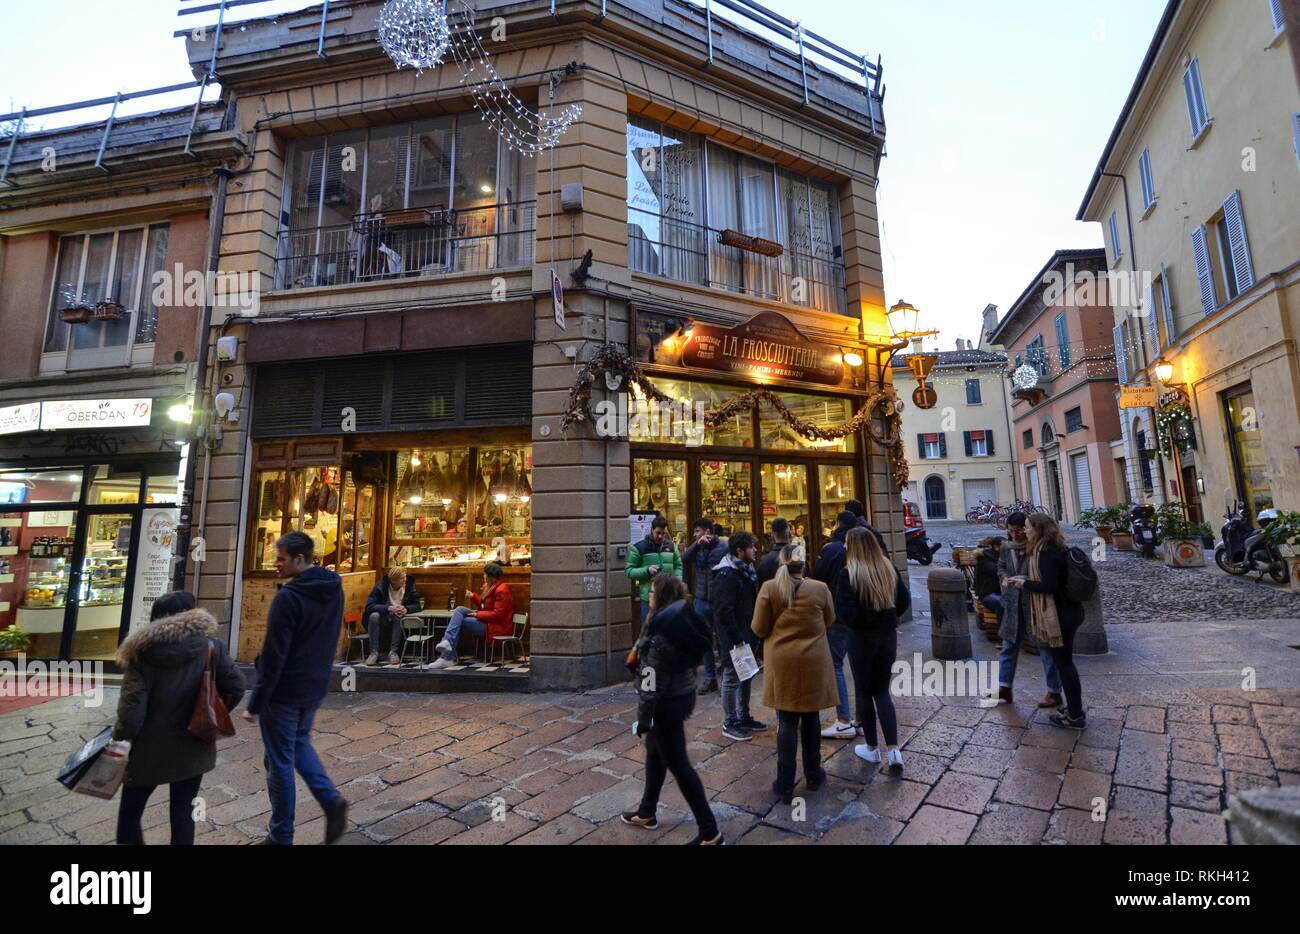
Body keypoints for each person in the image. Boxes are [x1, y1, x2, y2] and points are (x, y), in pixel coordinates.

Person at [113, 591, 245, 845]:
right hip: (195, 742)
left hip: (148, 749)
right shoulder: (210, 647)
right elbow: (237, 686)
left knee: (130, 813)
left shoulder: (141, 653)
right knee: (184, 812)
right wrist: (212, 714)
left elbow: (132, 714)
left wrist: (120, 740)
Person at [243, 531, 348, 845]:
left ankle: (281, 835)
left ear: (299, 559)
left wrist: (256, 701)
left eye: (281, 559)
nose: (276, 564)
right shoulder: (334, 589)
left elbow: (275, 655)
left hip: (285, 691)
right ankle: (330, 800)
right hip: (314, 685)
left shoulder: (288, 597)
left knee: (279, 761)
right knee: (298, 745)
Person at [620, 574, 722, 844]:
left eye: (652, 592)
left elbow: (651, 684)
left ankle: (710, 832)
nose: (649, 596)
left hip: (667, 705)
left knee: (679, 765)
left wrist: (643, 720)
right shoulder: (679, 620)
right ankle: (647, 812)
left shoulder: (660, 634)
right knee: (655, 754)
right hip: (682, 693)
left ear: (661, 597)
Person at [751, 545, 837, 804]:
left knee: (786, 722)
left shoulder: (770, 588)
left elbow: (758, 627)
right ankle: (813, 774)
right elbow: (830, 619)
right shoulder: (820, 588)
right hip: (813, 660)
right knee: (811, 718)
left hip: (782, 662)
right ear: (804, 564)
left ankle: (785, 784)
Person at [833, 528, 911, 772]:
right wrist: (887, 618)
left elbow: (844, 612)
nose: (844, 547)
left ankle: (871, 748)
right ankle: (894, 750)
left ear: (855, 546)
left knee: (864, 692)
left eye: (847, 543)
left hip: (862, 639)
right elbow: (903, 601)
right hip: (887, 637)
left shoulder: (849, 574)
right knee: (882, 692)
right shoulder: (888, 568)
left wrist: (859, 622)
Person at [1004, 513, 1086, 729]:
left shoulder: (1046, 552)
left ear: (1039, 529)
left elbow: (1048, 587)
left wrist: (1025, 585)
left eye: (1029, 527)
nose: (1026, 530)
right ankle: (1074, 709)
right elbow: (1049, 581)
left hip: (1061, 615)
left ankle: (1076, 715)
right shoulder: (1052, 548)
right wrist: (1026, 580)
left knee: (1065, 665)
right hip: (1067, 611)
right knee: (1065, 664)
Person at [991, 513, 1065, 708]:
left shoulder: (1037, 547)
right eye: (1011, 531)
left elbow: (1044, 575)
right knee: (1008, 647)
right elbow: (1001, 566)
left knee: (1044, 647)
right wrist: (1005, 577)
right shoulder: (1006, 547)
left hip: (1034, 603)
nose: (1015, 534)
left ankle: (1054, 691)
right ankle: (1004, 687)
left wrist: (1023, 580)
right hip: (1013, 603)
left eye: (1019, 530)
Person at [711, 531, 765, 741]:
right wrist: (736, 638)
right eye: (751, 547)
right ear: (739, 551)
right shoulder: (726, 575)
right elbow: (724, 611)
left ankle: (743, 716)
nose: (756, 550)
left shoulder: (746, 571)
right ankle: (730, 721)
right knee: (732, 678)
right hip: (734, 636)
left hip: (747, 633)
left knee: (747, 675)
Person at [810, 510, 859, 740]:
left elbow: (818, 579)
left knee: (836, 666)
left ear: (837, 525)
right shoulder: (864, 547)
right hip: (860, 616)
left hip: (836, 614)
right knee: (860, 668)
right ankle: (861, 719)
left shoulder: (831, 549)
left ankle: (843, 720)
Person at [426, 563, 515, 670]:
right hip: (489, 622)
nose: (483, 576)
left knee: (460, 621)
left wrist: (478, 614)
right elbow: (485, 606)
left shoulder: (501, 590)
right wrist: (473, 596)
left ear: (491, 576)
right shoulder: (493, 587)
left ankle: (447, 656)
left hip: (496, 627)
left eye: (485, 574)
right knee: (460, 610)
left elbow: (498, 615)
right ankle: (447, 642)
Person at [682, 517, 727, 694]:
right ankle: (710, 678)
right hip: (701, 600)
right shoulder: (697, 548)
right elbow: (685, 559)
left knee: (723, 639)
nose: (694, 535)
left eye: (697, 531)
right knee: (704, 639)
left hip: (718, 600)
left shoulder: (724, 547)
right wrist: (697, 545)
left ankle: (726, 677)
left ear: (708, 531)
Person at [626, 515, 683, 631]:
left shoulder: (671, 546)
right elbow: (629, 571)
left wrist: (676, 581)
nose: (661, 536)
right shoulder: (639, 548)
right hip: (649, 599)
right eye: (658, 533)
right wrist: (647, 570)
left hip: (669, 597)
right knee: (648, 631)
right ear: (651, 529)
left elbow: (678, 566)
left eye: (663, 533)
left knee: (669, 632)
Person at [363, 567, 424, 667]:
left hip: (399, 617)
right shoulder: (381, 586)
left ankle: (393, 652)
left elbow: (418, 605)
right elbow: (370, 606)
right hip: (383, 617)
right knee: (374, 616)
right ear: (393, 581)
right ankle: (374, 652)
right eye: (402, 578)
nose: (405, 580)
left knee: (398, 616)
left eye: (405, 577)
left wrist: (406, 609)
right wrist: (389, 608)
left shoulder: (409, 585)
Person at [974, 536, 1003, 619]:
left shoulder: (1000, 557)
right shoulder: (984, 559)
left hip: (1001, 592)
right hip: (987, 594)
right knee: (1002, 603)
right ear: (996, 547)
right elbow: (997, 572)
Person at [756, 517, 791, 585]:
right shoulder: (798, 557)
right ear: (789, 533)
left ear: (773, 534)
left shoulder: (764, 561)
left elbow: (761, 586)